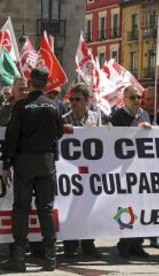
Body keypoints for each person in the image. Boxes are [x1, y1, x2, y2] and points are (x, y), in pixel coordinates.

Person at [1, 68, 64, 272]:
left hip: (25, 161)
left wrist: (6, 164)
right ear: (45, 84)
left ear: (30, 82)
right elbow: (59, 132)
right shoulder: (53, 106)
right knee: (45, 209)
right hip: (45, 161)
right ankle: (50, 257)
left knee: (21, 208)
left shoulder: (21, 106)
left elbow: (11, 138)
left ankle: (18, 257)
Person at [61, 83, 103, 259]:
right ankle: (70, 245)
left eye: (77, 99)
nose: (73, 103)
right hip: (71, 173)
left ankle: (88, 244)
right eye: (71, 99)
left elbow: (105, 138)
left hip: (91, 172)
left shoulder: (96, 117)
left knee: (88, 208)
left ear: (87, 100)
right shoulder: (63, 119)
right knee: (71, 208)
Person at [111, 85, 151, 258]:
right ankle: (124, 243)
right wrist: (136, 132)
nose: (137, 100)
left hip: (141, 167)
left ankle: (138, 244)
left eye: (138, 97)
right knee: (126, 207)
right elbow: (115, 141)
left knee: (141, 205)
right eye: (132, 97)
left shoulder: (145, 114)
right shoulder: (118, 116)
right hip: (123, 167)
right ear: (124, 99)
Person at [141, 86, 159, 249]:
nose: (150, 102)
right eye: (147, 99)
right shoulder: (139, 115)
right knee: (142, 203)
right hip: (141, 167)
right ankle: (137, 237)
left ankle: (156, 235)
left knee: (158, 202)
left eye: (153, 99)